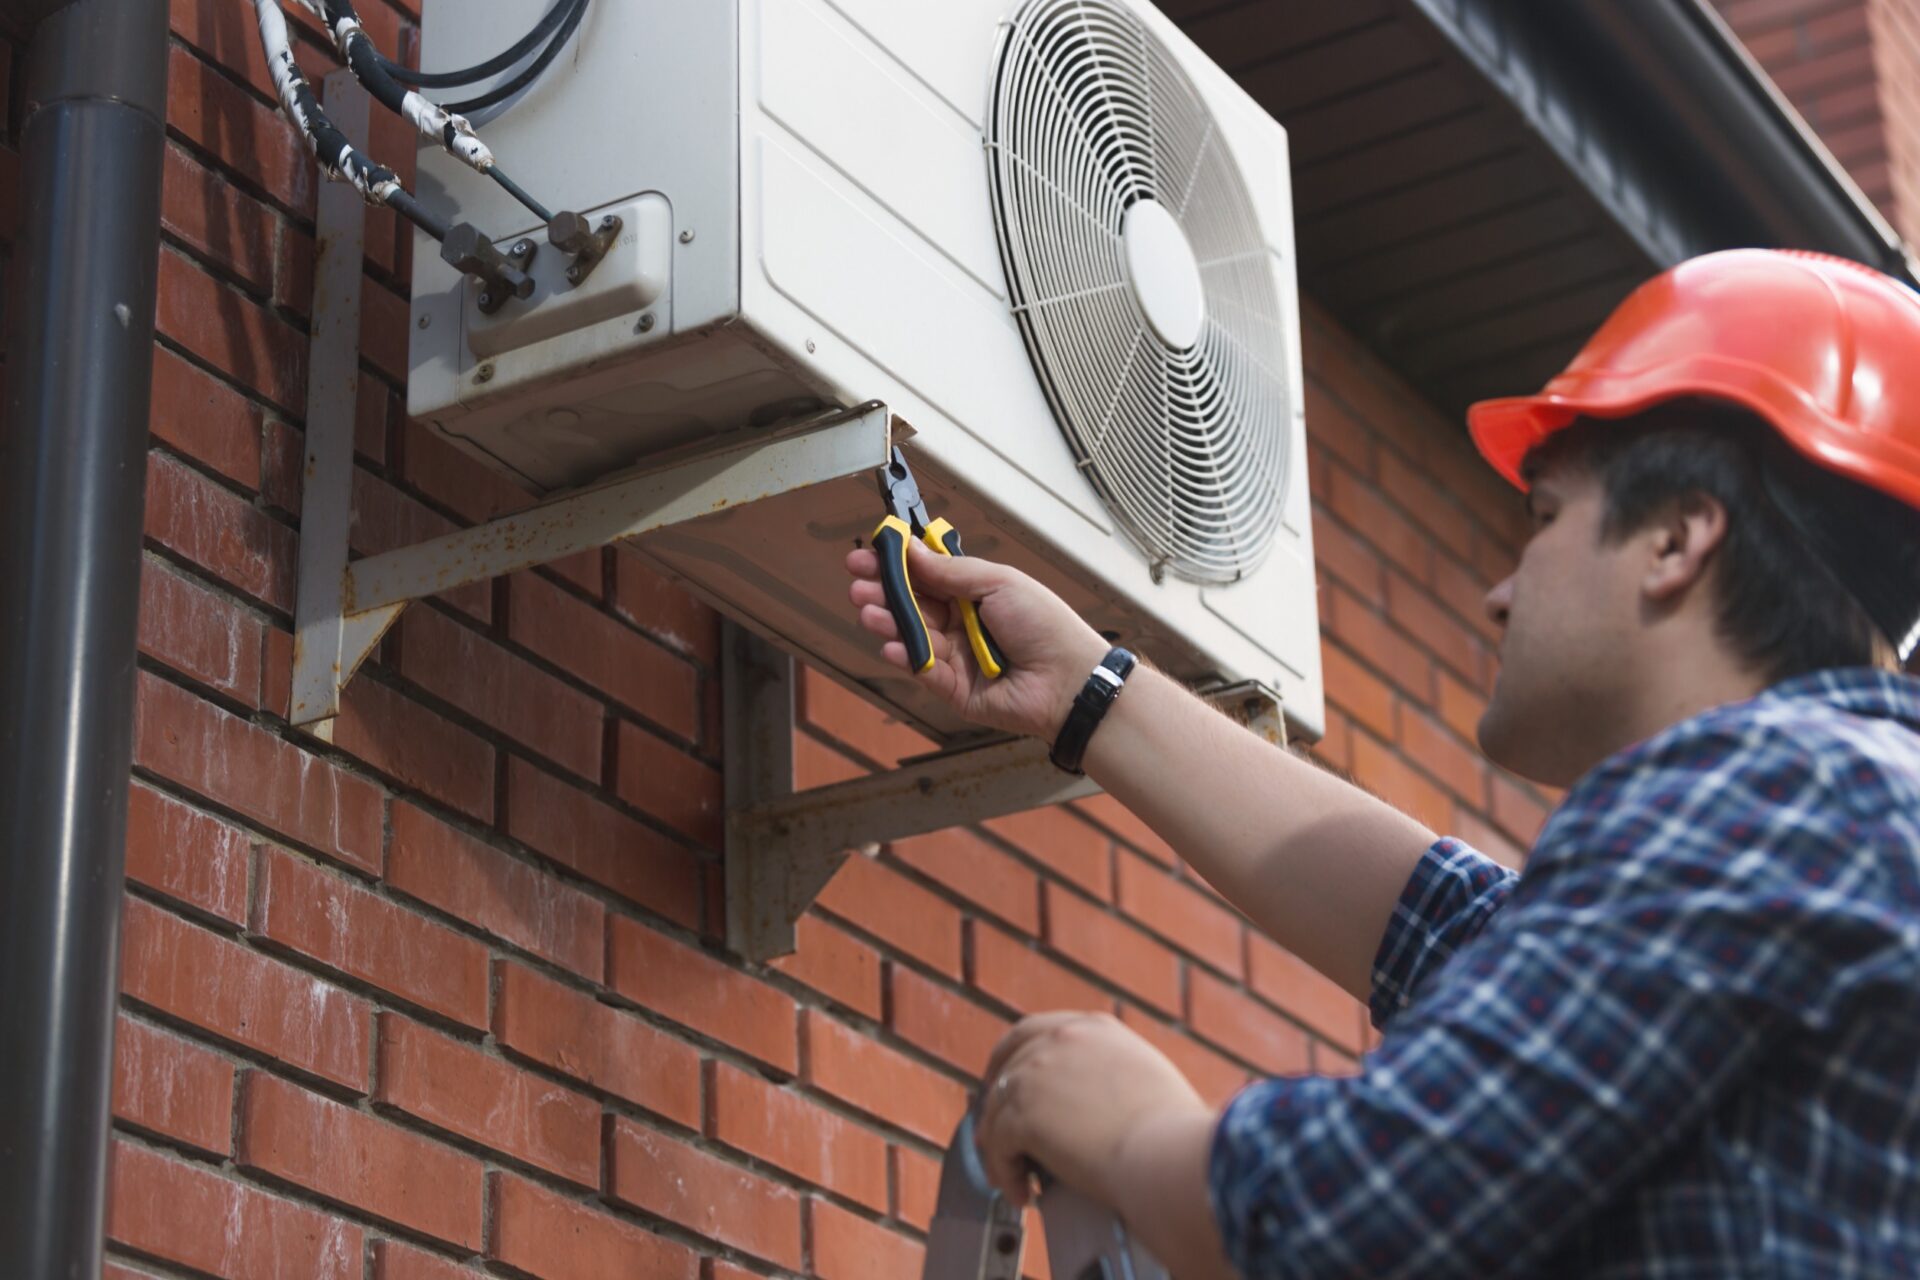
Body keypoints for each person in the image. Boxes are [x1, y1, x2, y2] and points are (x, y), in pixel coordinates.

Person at [845, 249, 1920, 1277]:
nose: (1502, 590)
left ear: (1677, 540)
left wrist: (1132, 1127)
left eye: (1544, 517)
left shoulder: (1769, 793)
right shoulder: (1839, 816)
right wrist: (1087, 688)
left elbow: (1351, 1223)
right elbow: (1455, 931)